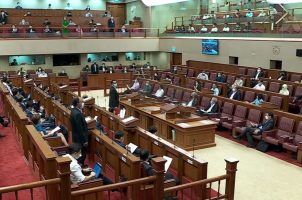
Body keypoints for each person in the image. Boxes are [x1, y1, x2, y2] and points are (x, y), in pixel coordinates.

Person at [69, 97, 88, 166]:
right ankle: (80, 165)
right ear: (78, 104)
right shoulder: (78, 114)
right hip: (80, 138)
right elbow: (80, 128)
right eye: (81, 102)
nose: (83, 104)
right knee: (82, 153)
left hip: (76, 136)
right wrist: (85, 140)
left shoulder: (73, 111)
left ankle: (80, 165)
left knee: (79, 152)